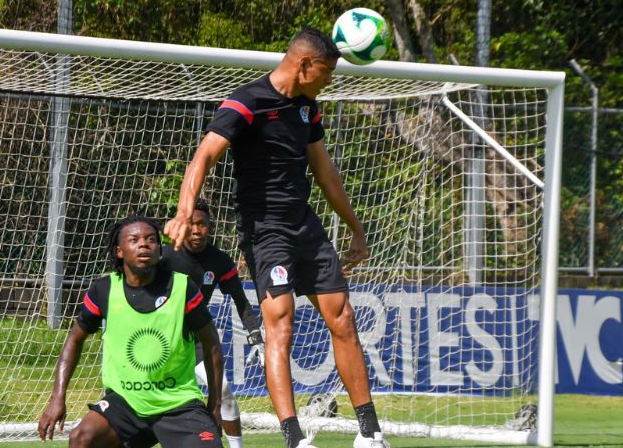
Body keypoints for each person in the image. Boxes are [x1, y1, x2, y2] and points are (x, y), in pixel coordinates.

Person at [164, 28, 388, 448]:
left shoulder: (308, 108)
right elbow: (204, 155)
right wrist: (182, 211)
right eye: (326, 70)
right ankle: (294, 438)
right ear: (304, 64)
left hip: (305, 225)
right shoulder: (246, 102)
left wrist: (356, 228)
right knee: (280, 322)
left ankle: (370, 433)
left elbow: (325, 173)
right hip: (265, 231)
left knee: (343, 318)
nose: (330, 79)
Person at [38, 216, 224, 448]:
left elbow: (212, 344)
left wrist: (215, 406)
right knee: (82, 438)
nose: (144, 244)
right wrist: (57, 397)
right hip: (126, 404)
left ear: (159, 249)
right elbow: (75, 339)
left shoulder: (182, 288)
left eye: (151, 240)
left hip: (178, 403)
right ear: (119, 251)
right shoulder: (104, 290)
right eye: (134, 240)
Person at [161, 197, 265, 448]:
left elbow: (241, 302)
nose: (197, 231)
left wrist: (256, 337)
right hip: (161, 339)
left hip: (194, 341)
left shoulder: (219, 261)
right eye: (191, 224)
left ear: (210, 226)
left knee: (225, 391)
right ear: (182, 225)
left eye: (203, 224)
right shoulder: (164, 255)